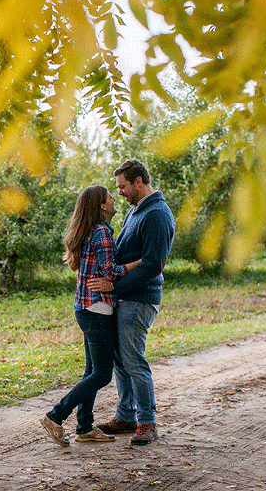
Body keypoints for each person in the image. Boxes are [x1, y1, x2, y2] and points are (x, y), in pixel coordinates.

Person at [40, 185, 143, 446]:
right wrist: (140, 263)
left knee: (91, 371)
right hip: (97, 309)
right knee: (102, 375)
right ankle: (56, 415)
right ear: (101, 206)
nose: (114, 198)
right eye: (109, 196)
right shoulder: (102, 232)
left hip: (86, 308)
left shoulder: (92, 231)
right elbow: (111, 271)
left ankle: (84, 427)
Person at [87, 159, 175, 446]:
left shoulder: (157, 214)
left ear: (139, 181)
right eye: (118, 188)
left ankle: (146, 422)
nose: (120, 193)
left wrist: (115, 284)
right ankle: (126, 415)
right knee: (120, 359)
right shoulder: (136, 212)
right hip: (123, 297)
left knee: (133, 359)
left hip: (140, 299)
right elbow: (123, 253)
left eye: (123, 187)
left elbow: (153, 265)